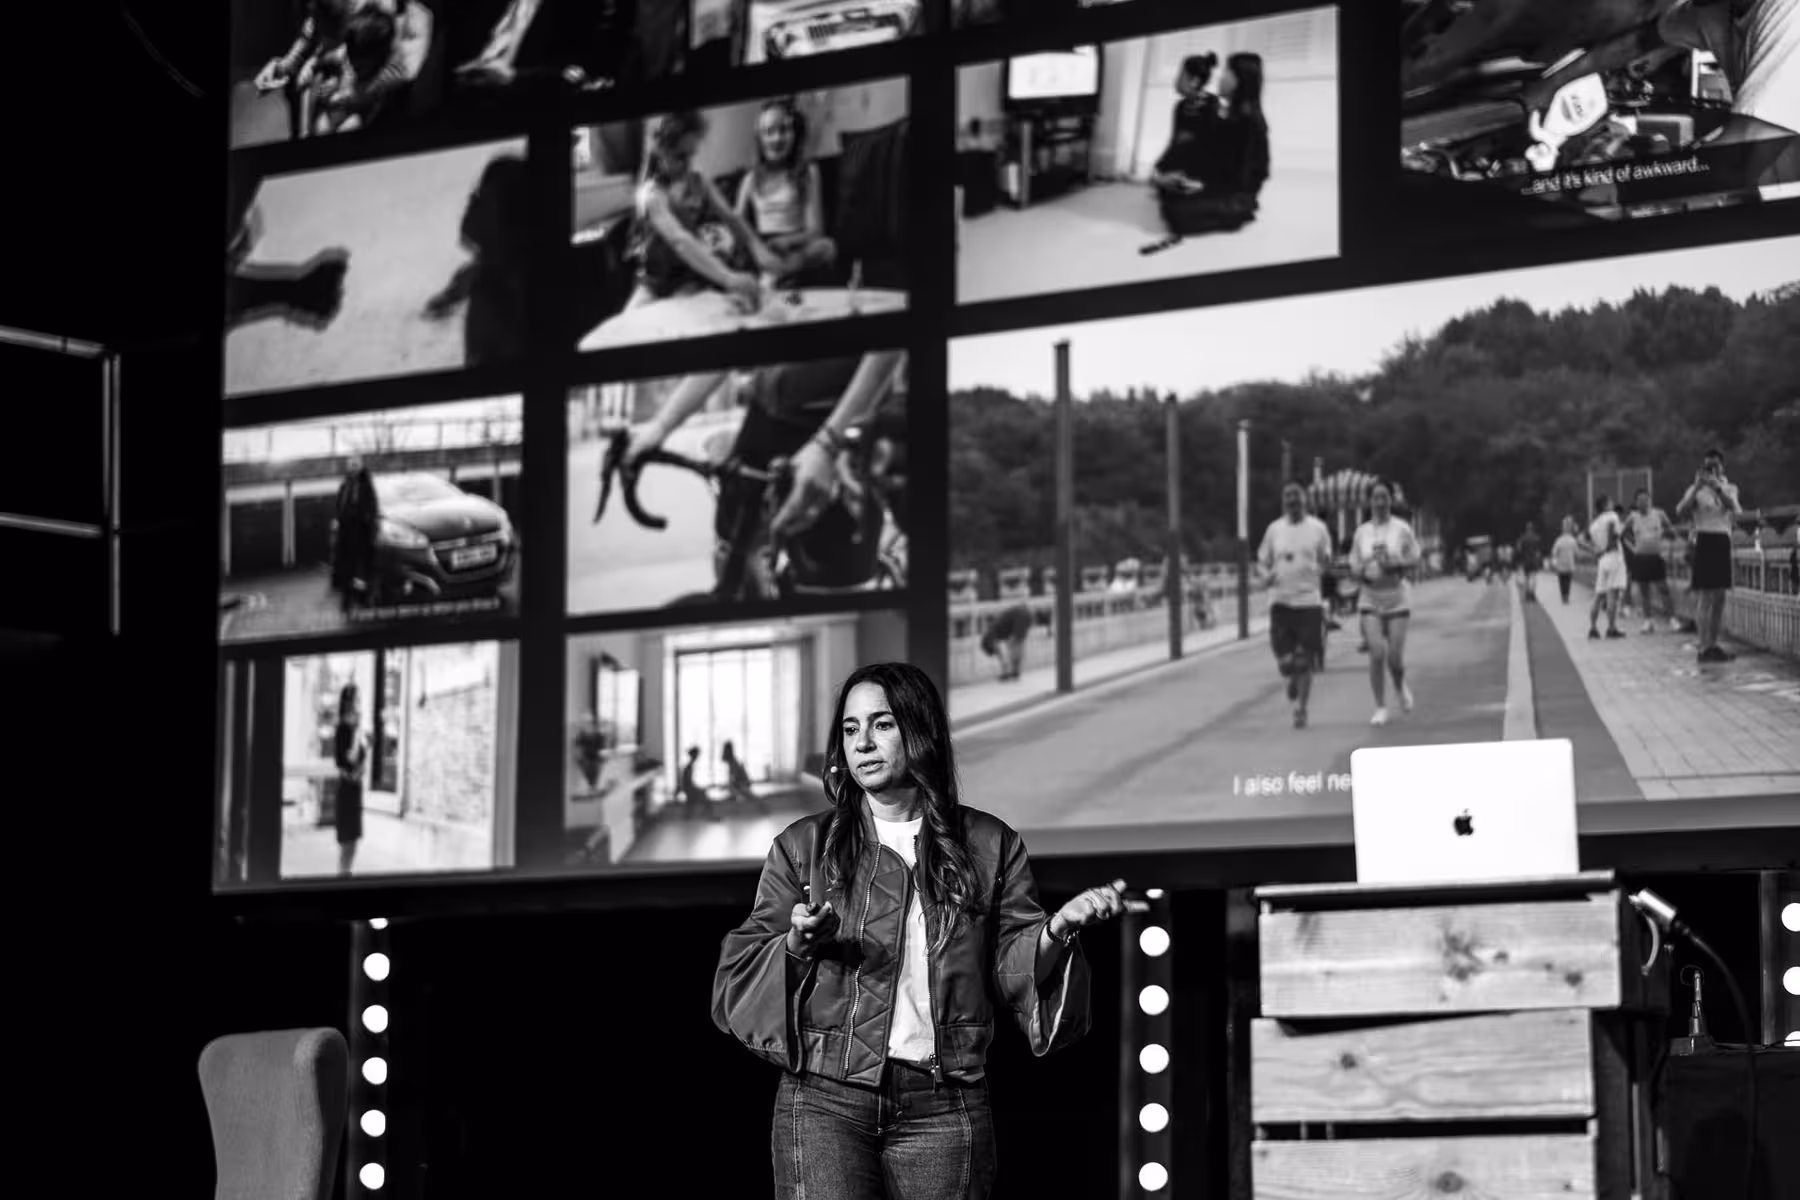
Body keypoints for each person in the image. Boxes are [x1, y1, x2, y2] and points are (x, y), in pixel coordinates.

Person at [713, 662, 1131, 1200]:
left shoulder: (988, 844)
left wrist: (1060, 928)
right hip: (824, 1103)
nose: (862, 742)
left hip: (945, 1105)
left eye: (882, 724)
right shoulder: (804, 847)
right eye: (850, 728)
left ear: (920, 730)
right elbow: (742, 971)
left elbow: (1012, 966)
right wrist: (795, 944)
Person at [620, 352, 906, 598]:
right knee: (731, 548)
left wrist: (830, 443)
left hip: (839, 423)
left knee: (832, 586)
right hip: (765, 415)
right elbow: (729, 339)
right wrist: (661, 425)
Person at [625, 110, 783, 314]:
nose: (687, 165)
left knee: (698, 314)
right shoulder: (651, 194)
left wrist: (758, 249)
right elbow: (679, 240)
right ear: (660, 150)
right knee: (629, 322)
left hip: (690, 275)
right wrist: (728, 277)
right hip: (655, 282)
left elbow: (731, 216)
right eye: (680, 157)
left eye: (691, 156)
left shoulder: (698, 181)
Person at [1151, 52, 1269, 237]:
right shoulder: (1229, 116)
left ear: (1241, 79)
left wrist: (1202, 186)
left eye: (1227, 73)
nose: (1220, 78)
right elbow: (1213, 156)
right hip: (1218, 187)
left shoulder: (1249, 121)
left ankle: (1236, 215)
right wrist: (1184, 179)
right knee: (1168, 193)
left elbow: (1248, 177)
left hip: (1237, 198)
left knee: (1176, 213)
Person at [736, 98, 837, 287]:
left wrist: (787, 241)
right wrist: (755, 247)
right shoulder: (749, 179)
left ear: (794, 135)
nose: (777, 138)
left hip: (797, 246)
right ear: (759, 138)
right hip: (763, 248)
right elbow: (737, 225)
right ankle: (772, 273)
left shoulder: (809, 172)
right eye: (769, 132)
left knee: (826, 247)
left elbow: (816, 230)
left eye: (784, 130)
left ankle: (777, 273)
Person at [1257, 481, 1333, 729]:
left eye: (1296, 496)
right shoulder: (1274, 530)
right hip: (1280, 602)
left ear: (1305, 500)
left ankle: (1301, 708)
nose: (1292, 501)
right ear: (1283, 502)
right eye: (1288, 497)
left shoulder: (1318, 529)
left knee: (1304, 661)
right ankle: (1292, 677)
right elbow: (1261, 562)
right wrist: (1265, 575)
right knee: (1286, 663)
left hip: (1308, 601)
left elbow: (1327, 559)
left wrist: (1320, 569)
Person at [1348, 480, 1421, 727]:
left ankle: (1400, 686)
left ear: (1391, 500)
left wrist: (1397, 565)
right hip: (1370, 597)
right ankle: (1380, 706)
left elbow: (1415, 557)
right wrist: (1360, 573)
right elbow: (1354, 564)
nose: (1380, 502)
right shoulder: (1362, 532)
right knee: (1377, 652)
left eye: (1385, 497)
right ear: (1369, 501)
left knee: (1395, 659)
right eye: (1376, 497)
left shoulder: (1402, 529)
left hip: (1397, 597)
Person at [1675, 448, 1743, 663]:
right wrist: (1697, 487)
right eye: (1708, 466)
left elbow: (1736, 510)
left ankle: (1713, 644)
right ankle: (1703, 647)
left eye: (1715, 465)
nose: (1712, 469)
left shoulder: (1729, 487)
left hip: (1722, 539)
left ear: (1722, 467)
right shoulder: (1696, 489)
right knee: (1705, 596)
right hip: (1704, 539)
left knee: (1720, 596)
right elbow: (1680, 511)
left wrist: (1717, 487)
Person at [1623, 488, 1679, 634]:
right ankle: (1648, 621)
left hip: (1656, 557)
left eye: (1645, 499)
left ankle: (1672, 619)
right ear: (1636, 502)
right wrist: (1632, 546)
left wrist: (1669, 536)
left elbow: (1671, 530)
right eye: (1640, 500)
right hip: (1640, 557)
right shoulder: (1632, 517)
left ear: (1649, 500)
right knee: (1644, 591)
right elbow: (1621, 533)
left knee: (1663, 589)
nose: (1643, 502)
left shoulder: (1659, 514)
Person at [333, 456, 380, 606]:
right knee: (348, 567)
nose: (352, 468)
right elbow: (341, 504)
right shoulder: (346, 483)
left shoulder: (366, 483)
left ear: (360, 466)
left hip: (362, 532)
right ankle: (348, 596)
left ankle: (365, 597)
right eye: (350, 466)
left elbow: (372, 507)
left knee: (363, 568)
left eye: (355, 465)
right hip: (346, 532)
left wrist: (367, 523)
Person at [333, 683, 369, 876]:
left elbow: (361, 759)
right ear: (348, 702)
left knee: (353, 843)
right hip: (347, 788)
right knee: (347, 844)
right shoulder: (343, 729)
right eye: (357, 699)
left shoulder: (356, 728)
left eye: (360, 699)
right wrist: (356, 733)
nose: (359, 703)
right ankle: (341, 881)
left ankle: (344, 878)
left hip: (356, 788)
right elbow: (346, 759)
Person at [1584, 497, 1628, 640]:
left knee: (1599, 594)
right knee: (1612, 595)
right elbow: (1614, 534)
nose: (1612, 504)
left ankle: (1593, 627)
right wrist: (1607, 547)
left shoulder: (1594, 524)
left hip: (1602, 560)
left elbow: (1585, 541)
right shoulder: (1612, 516)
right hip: (1613, 556)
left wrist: (1597, 551)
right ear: (1605, 505)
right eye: (1610, 502)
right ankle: (1611, 628)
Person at [978, 602, 1033, 681]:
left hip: (1019, 616)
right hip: (1027, 614)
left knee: (1013, 644)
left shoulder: (989, 636)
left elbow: (999, 652)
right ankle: (1015, 672)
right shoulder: (996, 627)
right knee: (1017, 644)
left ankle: (1008, 673)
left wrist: (1004, 667)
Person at [1551, 516, 1580, 604]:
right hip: (1570, 564)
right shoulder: (1573, 540)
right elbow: (1577, 553)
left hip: (1561, 565)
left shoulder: (1559, 540)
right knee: (1568, 581)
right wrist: (1577, 559)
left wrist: (1555, 561)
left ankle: (1563, 596)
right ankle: (1566, 596)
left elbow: (1554, 552)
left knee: (1562, 581)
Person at [1517, 522, 1543, 603]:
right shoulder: (1536, 538)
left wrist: (1519, 560)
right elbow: (1538, 552)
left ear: (1526, 529)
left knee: (1527, 577)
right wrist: (1539, 561)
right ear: (1532, 528)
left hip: (1525, 560)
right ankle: (1532, 594)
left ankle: (1528, 594)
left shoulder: (1522, 538)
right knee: (1534, 577)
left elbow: (1519, 550)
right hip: (1534, 560)